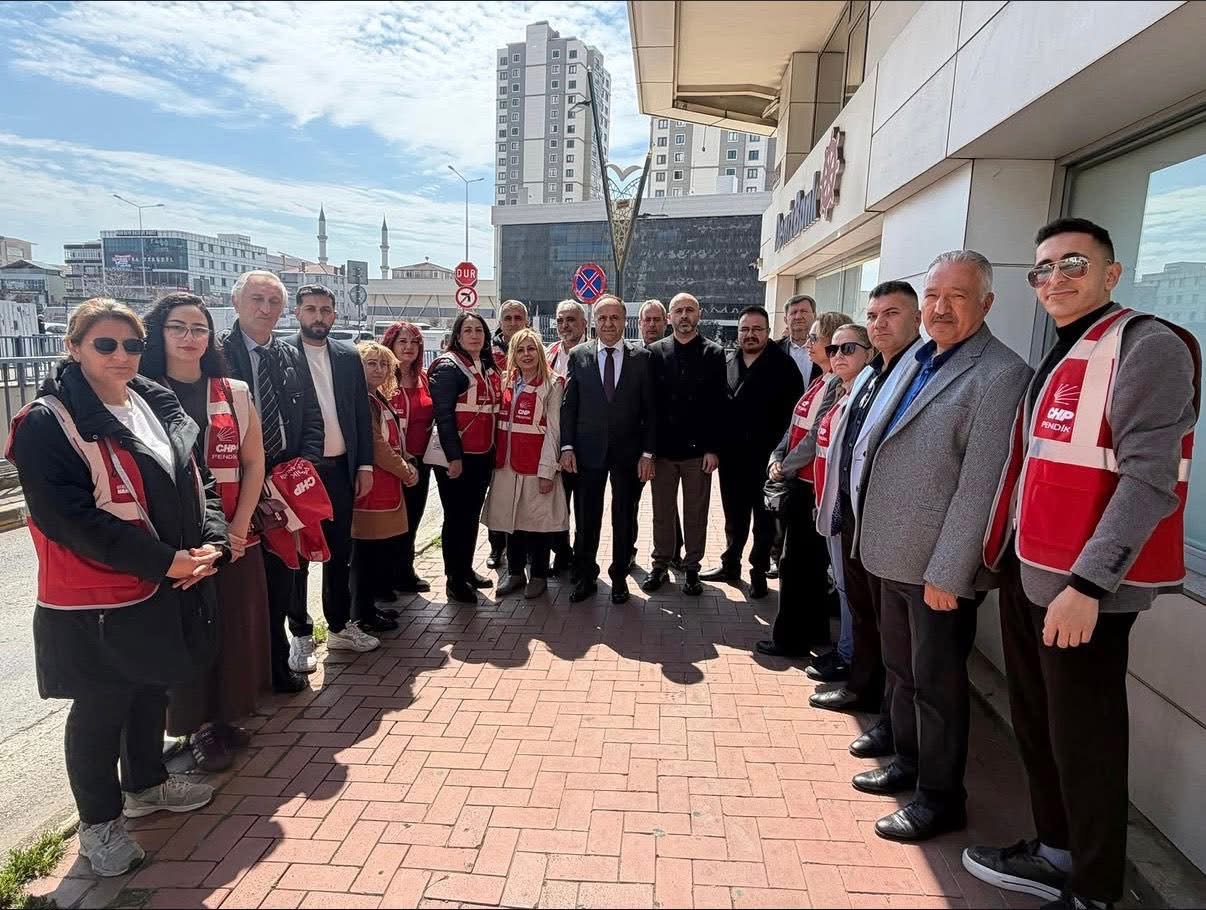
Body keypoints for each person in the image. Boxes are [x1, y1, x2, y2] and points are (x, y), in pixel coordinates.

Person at [965, 218, 1200, 910]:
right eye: (1043, 268)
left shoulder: (1147, 346)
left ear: (1111, 273)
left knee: (1086, 744)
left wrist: (1089, 584)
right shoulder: (1069, 347)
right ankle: (1056, 852)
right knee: (1041, 728)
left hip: (1082, 592)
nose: (1055, 278)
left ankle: (1095, 891)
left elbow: (1149, 480)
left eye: (1073, 263)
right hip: (1031, 574)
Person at [8, 299, 223, 876]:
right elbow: (68, 518)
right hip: (98, 596)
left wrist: (211, 542)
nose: (121, 356)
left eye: (131, 345)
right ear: (74, 347)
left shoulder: (153, 400)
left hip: (163, 580)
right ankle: (99, 826)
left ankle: (146, 784)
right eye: (105, 344)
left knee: (152, 685)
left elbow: (197, 480)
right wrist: (165, 561)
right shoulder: (46, 423)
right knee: (101, 707)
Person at [854, 251, 1032, 843]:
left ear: (987, 303)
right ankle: (907, 762)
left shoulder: (1000, 375)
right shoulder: (921, 357)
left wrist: (950, 572)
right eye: (932, 295)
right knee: (902, 673)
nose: (940, 308)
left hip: (936, 569)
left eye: (957, 296)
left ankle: (940, 798)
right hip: (890, 553)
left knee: (937, 688)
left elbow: (981, 486)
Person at [140, 293, 270, 773]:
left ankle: (224, 717)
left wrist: (238, 527)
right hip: (173, 542)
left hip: (233, 534)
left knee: (234, 628)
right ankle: (194, 727)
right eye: (178, 327)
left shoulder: (233, 391)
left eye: (199, 329)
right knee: (185, 633)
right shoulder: (138, 393)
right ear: (159, 333)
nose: (190, 337)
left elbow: (253, 462)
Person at [810, 282, 923, 763]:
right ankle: (866, 692)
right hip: (853, 514)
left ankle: (893, 725)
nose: (880, 324)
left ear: (916, 318)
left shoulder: (919, 371)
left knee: (895, 639)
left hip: (894, 529)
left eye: (891, 314)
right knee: (864, 613)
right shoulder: (874, 376)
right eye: (873, 316)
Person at [220, 271, 323, 693]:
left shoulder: (289, 354)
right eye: (256, 299)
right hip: (234, 482)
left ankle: (278, 664)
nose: (265, 309)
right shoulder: (216, 354)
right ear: (236, 302)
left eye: (274, 301)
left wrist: (304, 467)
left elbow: (311, 415)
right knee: (241, 583)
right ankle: (242, 675)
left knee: (284, 576)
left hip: (283, 481)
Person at [285, 285, 383, 657]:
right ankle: (300, 633)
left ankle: (340, 626)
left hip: (341, 468)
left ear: (335, 315)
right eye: (311, 309)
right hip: (299, 472)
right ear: (297, 312)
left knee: (339, 550)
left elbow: (360, 413)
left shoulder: (347, 355)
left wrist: (364, 464)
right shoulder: (282, 353)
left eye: (325, 310)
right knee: (298, 554)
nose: (319, 316)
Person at [761, 311, 851, 656]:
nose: (808, 343)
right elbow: (794, 426)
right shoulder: (820, 380)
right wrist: (777, 455)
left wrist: (784, 466)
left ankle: (790, 640)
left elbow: (815, 437)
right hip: (799, 480)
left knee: (796, 565)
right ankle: (813, 631)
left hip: (812, 486)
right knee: (807, 565)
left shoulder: (836, 385)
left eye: (815, 338)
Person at [560, 295, 657, 604]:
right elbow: (569, 405)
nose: (608, 323)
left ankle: (619, 578)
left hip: (628, 455)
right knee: (586, 518)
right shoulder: (579, 355)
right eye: (602, 317)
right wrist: (567, 447)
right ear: (594, 322)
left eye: (615, 317)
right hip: (587, 453)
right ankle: (586, 576)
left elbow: (651, 411)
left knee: (624, 517)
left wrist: (648, 453)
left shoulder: (642, 358)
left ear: (625, 321)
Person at [702, 305, 803, 598]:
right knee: (734, 515)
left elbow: (794, 418)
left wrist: (783, 457)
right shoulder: (727, 362)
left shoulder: (784, 366)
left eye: (757, 329)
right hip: (732, 458)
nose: (750, 335)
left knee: (764, 519)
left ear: (768, 332)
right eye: (744, 329)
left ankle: (758, 571)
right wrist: (713, 448)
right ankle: (730, 563)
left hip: (767, 459)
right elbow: (714, 410)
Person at [643, 292, 727, 596]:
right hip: (664, 451)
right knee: (662, 512)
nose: (684, 316)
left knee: (695, 513)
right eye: (678, 311)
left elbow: (719, 404)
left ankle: (692, 568)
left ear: (699, 315)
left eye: (689, 310)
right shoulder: (654, 352)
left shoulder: (714, 352)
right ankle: (660, 565)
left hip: (698, 452)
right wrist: (648, 451)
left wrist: (713, 448)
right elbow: (649, 406)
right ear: (669, 318)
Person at [486, 328, 569, 598]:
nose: (526, 354)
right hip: (507, 466)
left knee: (537, 523)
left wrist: (548, 470)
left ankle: (539, 576)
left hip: (536, 465)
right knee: (512, 521)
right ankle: (515, 573)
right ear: (513, 354)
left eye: (531, 348)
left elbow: (554, 430)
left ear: (540, 352)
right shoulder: (506, 381)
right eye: (520, 350)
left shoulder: (553, 383)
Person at [427, 312, 502, 603]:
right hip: (458, 459)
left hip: (482, 455)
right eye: (468, 330)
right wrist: (453, 458)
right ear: (457, 336)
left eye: (479, 330)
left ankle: (466, 570)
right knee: (456, 518)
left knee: (470, 517)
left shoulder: (486, 365)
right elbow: (443, 417)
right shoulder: (449, 367)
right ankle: (454, 580)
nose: (474, 335)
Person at [350, 342, 419, 623]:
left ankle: (370, 607)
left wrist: (407, 459)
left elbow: (393, 438)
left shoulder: (376, 397)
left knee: (376, 552)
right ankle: (362, 613)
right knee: (365, 554)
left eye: (383, 364)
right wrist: (406, 470)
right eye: (371, 363)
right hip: (372, 489)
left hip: (386, 485)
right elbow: (377, 445)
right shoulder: (362, 400)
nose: (379, 369)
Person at [382, 321, 434, 593]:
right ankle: (384, 577)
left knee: (412, 518)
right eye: (402, 341)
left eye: (414, 342)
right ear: (390, 344)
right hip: (389, 463)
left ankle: (405, 571)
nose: (408, 347)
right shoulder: (381, 379)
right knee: (388, 522)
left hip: (420, 461)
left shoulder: (423, 378)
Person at [770, 293, 820, 577]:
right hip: (779, 439)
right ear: (786, 319)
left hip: (814, 443)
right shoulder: (773, 351)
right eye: (794, 313)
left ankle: (799, 560)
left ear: (814, 316)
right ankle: (776, 555)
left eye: (804, 312)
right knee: (777, 501)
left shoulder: (828, 355)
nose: (799, 317)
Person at [634, 299, 682, 568]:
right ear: (639, 323)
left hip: (666, 444)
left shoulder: (674, 354)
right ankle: (627, 550)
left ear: (666, 322)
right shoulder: (630, 355)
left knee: (667, 503)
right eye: (647, 320)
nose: (652, 325)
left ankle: (673, 552)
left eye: (657, 320)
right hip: (634, 446)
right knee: (629, 501)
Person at [547, 300, 588, 577]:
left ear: (584, 323)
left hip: (585, 446)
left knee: (584, 508)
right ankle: (562, 554)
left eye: (571, 320)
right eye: (560, 320)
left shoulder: (594, 353)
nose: (565, 325)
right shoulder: (547, 354)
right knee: (557, 505)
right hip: (553, 445)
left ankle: (582, 560)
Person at [488, 300, 529, 569]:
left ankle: (525, 550)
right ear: (500, 322)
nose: (513, 323)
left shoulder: (534, 348)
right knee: (497, 496)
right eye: (508, 318)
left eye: (518, 318)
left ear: (526, 321)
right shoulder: (487, 352)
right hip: (494, 433)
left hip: (524, 435)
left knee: (524, 497)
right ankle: (496, 548)